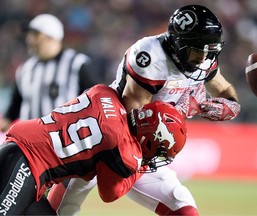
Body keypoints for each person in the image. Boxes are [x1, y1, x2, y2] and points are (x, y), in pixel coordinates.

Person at [48, 4, 241, 215]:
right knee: (63, 207)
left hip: (147, 149)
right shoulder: (151, 56)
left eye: (209, 51)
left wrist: (229, 105)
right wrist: (187, 108)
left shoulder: (202, 59)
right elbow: (137, 119)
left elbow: (222, 88)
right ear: (179, 44)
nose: (204, 59)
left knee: (182, 205)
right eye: (198, 51)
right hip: (111, 138)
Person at [0, 84, 187, 215]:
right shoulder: (125, 152)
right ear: (149, 140)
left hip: (21, 155)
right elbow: (109, 194)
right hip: (25, 165)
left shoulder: (105, 93)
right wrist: (143, 166)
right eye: (159, 152)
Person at [0, 13, 99, 132]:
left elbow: (95, 98)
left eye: (35, 35)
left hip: (65, 142)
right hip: (30, 142)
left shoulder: (76, 63)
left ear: (51, 37)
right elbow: (15, 105)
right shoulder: (25, 69)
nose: (29, 40)